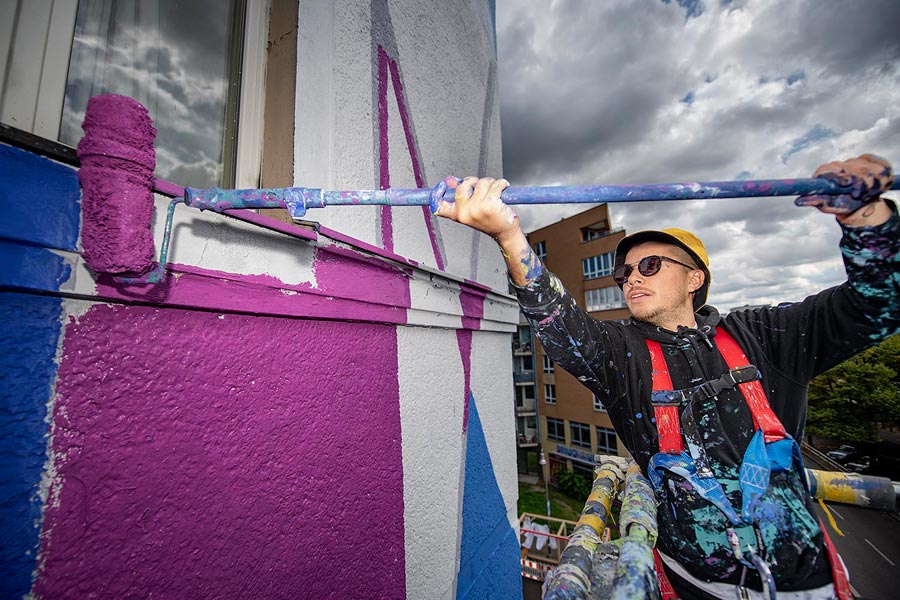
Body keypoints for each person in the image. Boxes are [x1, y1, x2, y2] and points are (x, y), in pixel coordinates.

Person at [435, 154, 898, 599]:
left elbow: (875, 304)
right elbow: (558, 323)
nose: (631, 279)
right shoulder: (621, 355)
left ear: (695, 278)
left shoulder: (766, 335)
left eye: (650, 266)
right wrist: (508, 234)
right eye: (624, 273)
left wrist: (865, 218)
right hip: (694, 586)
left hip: (807, 584)